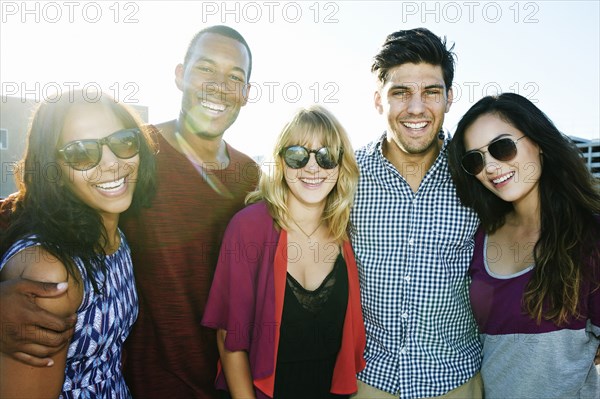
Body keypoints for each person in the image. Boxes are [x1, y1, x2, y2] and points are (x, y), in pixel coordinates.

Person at [0, 25, 260, 398]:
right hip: (144, 384)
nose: (218, 86)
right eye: (205, 69)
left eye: (234, 76)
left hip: (221, 379)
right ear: (180, 74)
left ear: (247, 93)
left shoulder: (249, 174)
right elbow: (24, 211)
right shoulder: (133, 150)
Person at [349, 28, 483, 398]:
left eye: (431, 92)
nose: (416, 108)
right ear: (379, 100)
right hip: (367, 381)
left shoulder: (479, 174)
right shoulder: (345, 175)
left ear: (449, 98)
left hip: (456, 380)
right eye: (400, 92)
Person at [201, 105, 366, 399]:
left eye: (326, 156)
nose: (312, 168)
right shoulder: (248, 228)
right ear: (280, 161)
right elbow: (230, 337)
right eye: (298, 155)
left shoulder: (346, 232)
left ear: (341, 165)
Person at [0, 90, 157, 398]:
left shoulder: (117, 237)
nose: (112, 164)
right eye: (81, 153)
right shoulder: (50, 272)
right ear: (55, 170)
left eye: (123, 142)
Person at [446, 92, 600, 398]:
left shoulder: (590, 236)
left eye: (502, 147)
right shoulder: (477, 236)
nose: (490, 167)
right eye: (475, 160)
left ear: (539, 142)